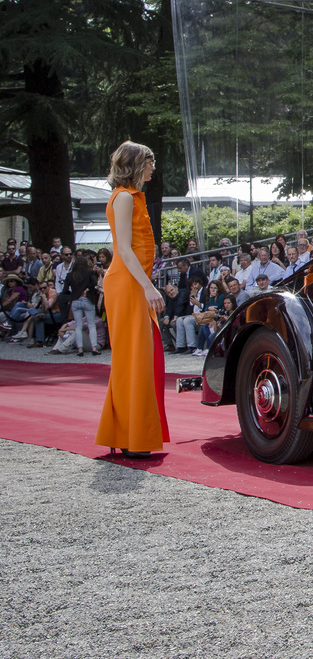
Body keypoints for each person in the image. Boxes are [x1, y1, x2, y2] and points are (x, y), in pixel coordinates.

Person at [95, 141, 170, 459]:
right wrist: (149, 287)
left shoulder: (129, 197)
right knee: (136, 358)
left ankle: (127, 433)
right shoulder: (124, 197)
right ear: (136, 164)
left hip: (131, 282)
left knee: (138, 357)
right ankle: (132, 436)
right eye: (149, 161)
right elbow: (123, 250)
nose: (153, 167)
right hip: (128, 284)